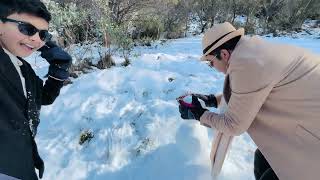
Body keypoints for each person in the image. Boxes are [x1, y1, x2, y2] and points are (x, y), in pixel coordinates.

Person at [178, 22, 320, 180]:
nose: (214, 67)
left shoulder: (247, 64)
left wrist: (199, 114)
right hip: (307, 122)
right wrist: (212, 100)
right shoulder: (251, 51)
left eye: (211, 63)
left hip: (313, 139)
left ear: (224, 54)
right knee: (264, 158)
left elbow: (233, 125)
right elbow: (250, 92)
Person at [0, 0, 72, 179]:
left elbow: (43, 97)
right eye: (27, 28)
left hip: (23, 164)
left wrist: (59, 69)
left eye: (43, 34)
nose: (36, 39)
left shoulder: (23, 67)